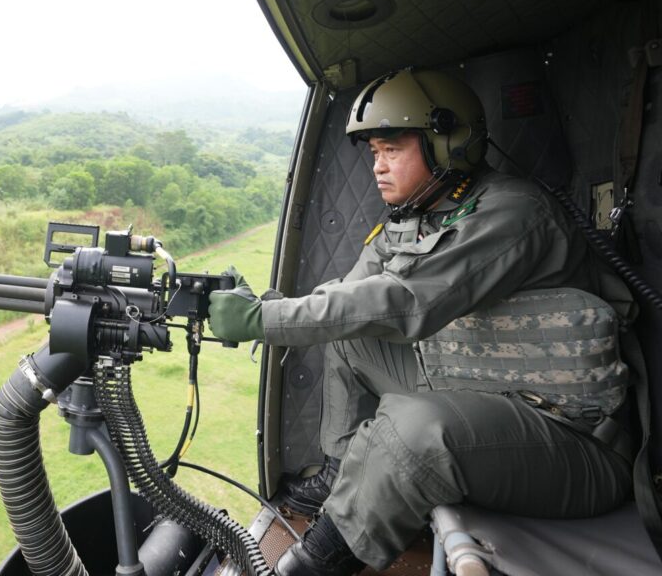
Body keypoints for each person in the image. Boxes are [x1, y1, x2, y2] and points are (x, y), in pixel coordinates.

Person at [208, 68, 635, 576]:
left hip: (570, 438)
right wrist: (267, 303)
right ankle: (348, 477)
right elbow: (350, 300)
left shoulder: (512, 213)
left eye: (392, 150)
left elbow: (407, 303)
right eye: (373, 154)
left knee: (412, 432)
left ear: (447, 143)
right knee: (351, 339)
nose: (378, 168)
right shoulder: (418, 214)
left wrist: (263, 320)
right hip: (489, 394)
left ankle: (312, 562)